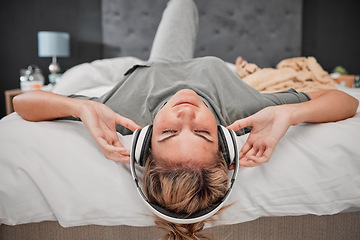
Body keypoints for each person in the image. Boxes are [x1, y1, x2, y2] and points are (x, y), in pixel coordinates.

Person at [13, 0, 358, 239]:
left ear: (146, 137)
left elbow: (23, 103)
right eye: (204, 132)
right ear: (224, 138)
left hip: (151, 68)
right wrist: (289, 112)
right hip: (218, 71)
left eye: (168, 132)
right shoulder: (244, 107)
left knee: (173, 14)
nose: (186, 112)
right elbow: (345, 101)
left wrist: (80, 107)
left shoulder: (121, 110)